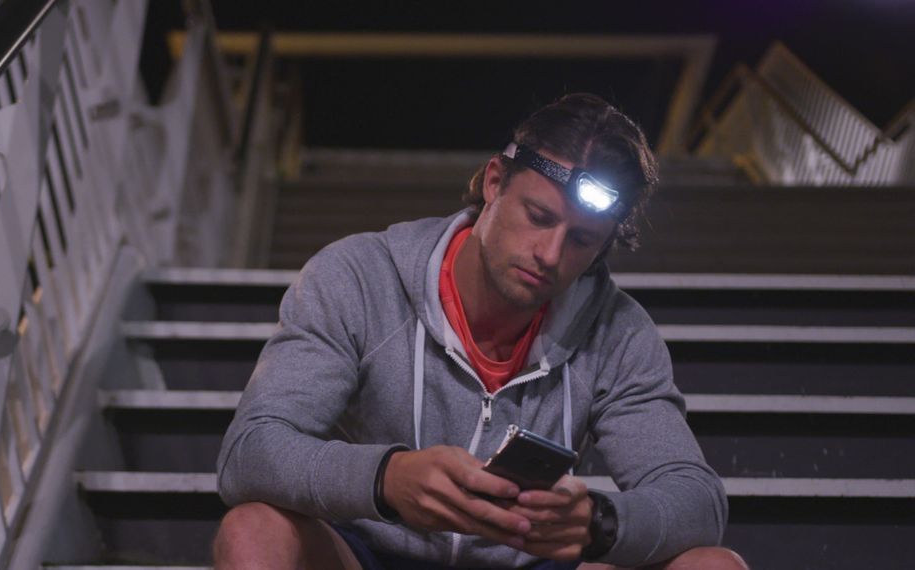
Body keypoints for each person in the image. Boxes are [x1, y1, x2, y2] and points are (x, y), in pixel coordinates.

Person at [214, 93, 746, 569]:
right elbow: (252, 450)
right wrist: (385, 479)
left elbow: (694, 500)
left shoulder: (619, 333)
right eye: (538, 216)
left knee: (713, 565)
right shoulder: (359, 277)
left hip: (526, 561)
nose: (551, 254)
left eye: (582, 240)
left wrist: (597, 523)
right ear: (494, 182)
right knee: (253, 530)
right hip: (367, 553)